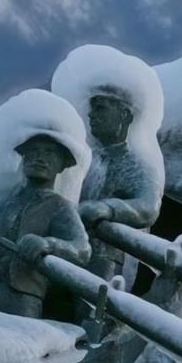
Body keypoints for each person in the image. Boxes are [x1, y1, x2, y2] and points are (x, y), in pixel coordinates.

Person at [0, 131, 91, 319]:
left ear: (62, 165)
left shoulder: (60, 207)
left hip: (20, 301)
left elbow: (82, 250)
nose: (39, 158)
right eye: (33, 151)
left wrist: (47, 244)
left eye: (49, 153)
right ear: (23, 158)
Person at [77, 90, 163, 281]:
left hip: (102, 256)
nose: (91, 114)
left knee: (92, 308)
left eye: (100, 108)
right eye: (92, 109)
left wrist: (107, 207)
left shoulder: (137, 166)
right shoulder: (85, 160)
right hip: (68, 247)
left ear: (125, 115)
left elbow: (148, 207)